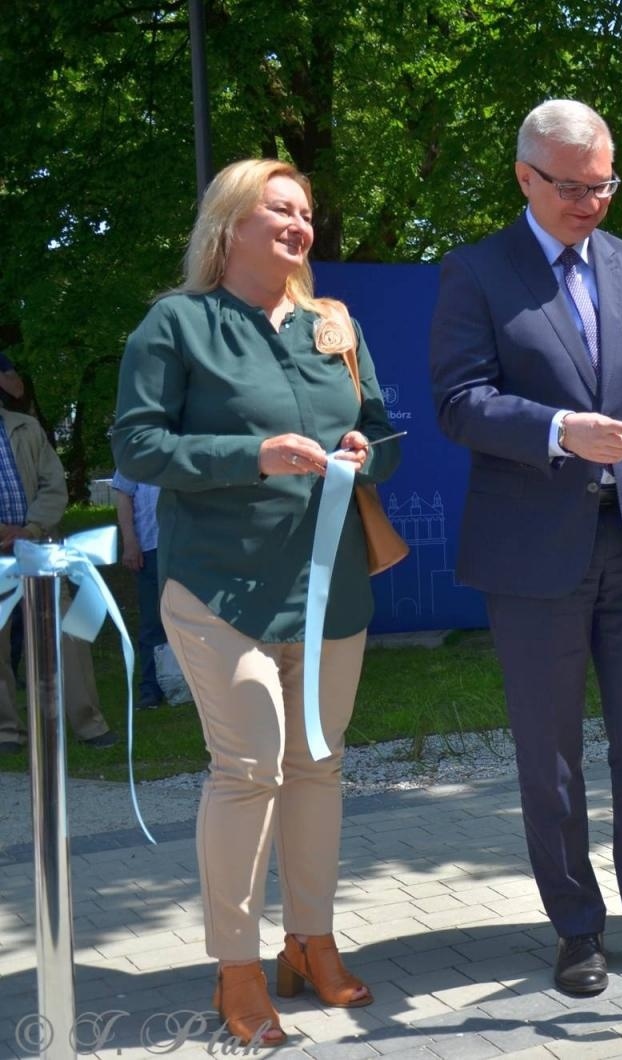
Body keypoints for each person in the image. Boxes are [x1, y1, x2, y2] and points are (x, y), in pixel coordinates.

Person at [429, 99, 622, 997]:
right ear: (525, 177)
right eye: (571, 187)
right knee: (551, 754)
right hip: (534, 553)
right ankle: (576, 930)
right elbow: (458, 401)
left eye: (603, 186)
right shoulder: (477, 271)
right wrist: (561, 430)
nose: (590, 203)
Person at [112, 158, 400, 1046]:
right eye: (279, 209)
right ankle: (235, 968)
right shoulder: (177, 323)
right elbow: (138, 445)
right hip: (218, 588)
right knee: (248, 770)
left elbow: (382, 431)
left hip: (329, 587)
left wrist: (367, 449)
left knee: (318, 765)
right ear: (230, 223)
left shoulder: (334, 324)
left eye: (305, 212)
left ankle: (310, 943)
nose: (299, 224)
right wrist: (251, 456)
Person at [0, 405, 115, 756]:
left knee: (68, 636)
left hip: (40, 549)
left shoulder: (26, 427)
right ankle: (6, 732)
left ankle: (89, 724)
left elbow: (53, 485)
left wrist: (30, 528)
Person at [111, 471, 167, 709]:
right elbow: (123, 495)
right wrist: (130, 541)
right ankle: (151, 689)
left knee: (195, 618)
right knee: (152, 622)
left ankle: (200, 686)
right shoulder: (135, 452)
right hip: (150, 546)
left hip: (187, 547)